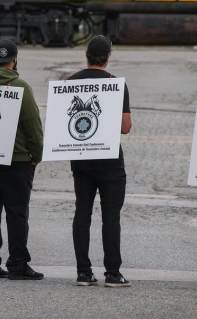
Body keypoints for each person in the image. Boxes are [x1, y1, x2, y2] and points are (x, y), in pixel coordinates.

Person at [0, 39, 45, 280]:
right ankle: (17, 264)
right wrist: (37, 155)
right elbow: (32, 126)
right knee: (17, 213)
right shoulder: (20, 86)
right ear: (15, 60)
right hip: (16, 161)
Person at [67, 35, 133, 288]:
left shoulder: (70, 82)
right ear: (108, 58)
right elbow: (125, 127)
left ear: (85, 54)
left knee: (82, 212)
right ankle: (113, 274)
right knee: (111, 216)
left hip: (81, 160)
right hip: (109, 162)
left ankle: (83, 272)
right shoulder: (115, 84)